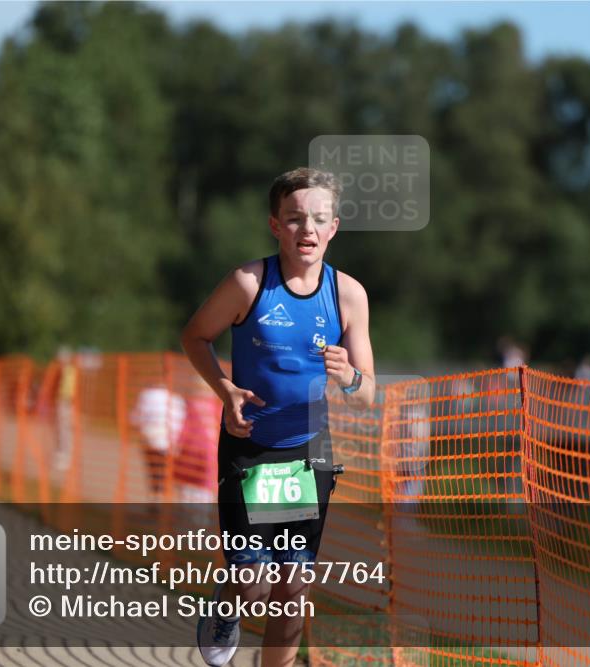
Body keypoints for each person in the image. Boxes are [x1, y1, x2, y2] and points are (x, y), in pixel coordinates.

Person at [181, 167, 375, 667]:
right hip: (251, 448)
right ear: (275, 225)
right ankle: (227, 604)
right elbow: (194, 336)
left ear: (334, 227)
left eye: (318, 219)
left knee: (292, 594)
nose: (306, 230)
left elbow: (366, 392)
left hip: (309, 454)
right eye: (293, 219)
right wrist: (224, 389)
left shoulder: (348, 294)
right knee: (253, 587)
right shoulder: (249, 283)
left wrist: (350, 376)